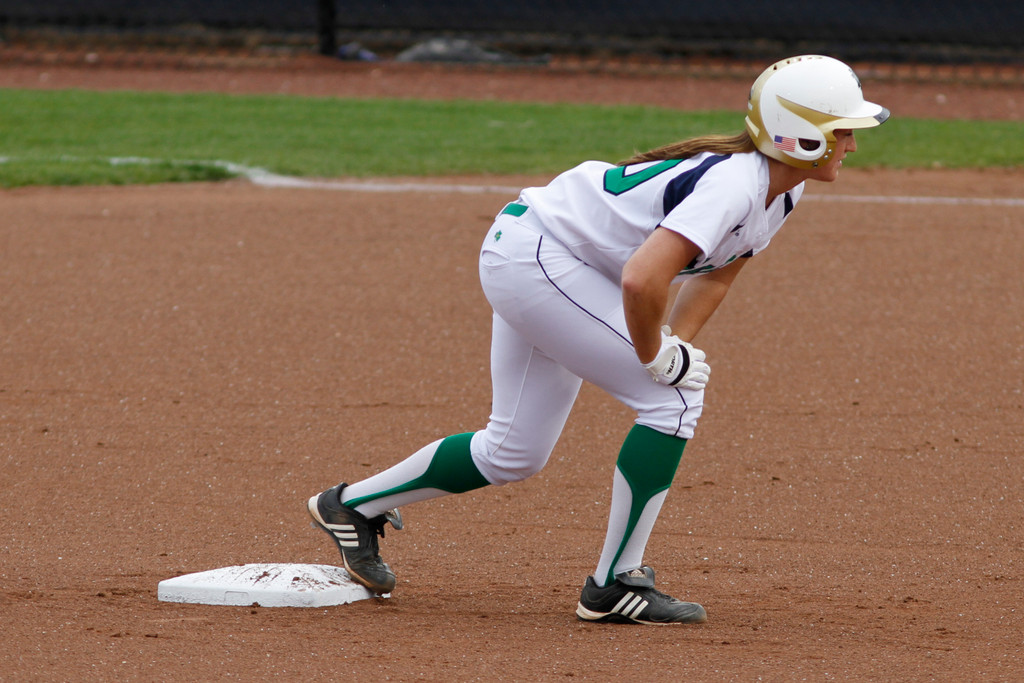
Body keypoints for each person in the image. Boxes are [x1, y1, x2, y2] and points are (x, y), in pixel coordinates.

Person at [307, 55, 889, 625]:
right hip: (540, 258)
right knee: (674, 400)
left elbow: (717, 275)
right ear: (800, 136)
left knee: (513, 452)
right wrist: (654, 355)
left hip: (546, 258)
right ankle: (615, 584)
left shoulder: (782, 188)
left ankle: (350, 506)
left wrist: (675, 347)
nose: (853, 145)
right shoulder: (735, 185)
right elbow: (642, 278)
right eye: (842, 132)